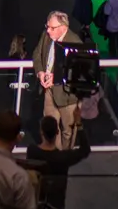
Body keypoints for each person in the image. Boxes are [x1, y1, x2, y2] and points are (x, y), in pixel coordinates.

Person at [34, 11, 87, 148]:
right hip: (49, 92)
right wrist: (40, 73)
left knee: (68, 132)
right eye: (47, 26)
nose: (48, 30)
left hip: (68, 96)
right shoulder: (46, 36)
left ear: (63, 28)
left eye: (52, 28)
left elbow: (80, 72)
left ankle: (64, 158)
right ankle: (54, 155)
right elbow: (37, 54)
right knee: (49, 129)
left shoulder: (75, 43)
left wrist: (57, 78)